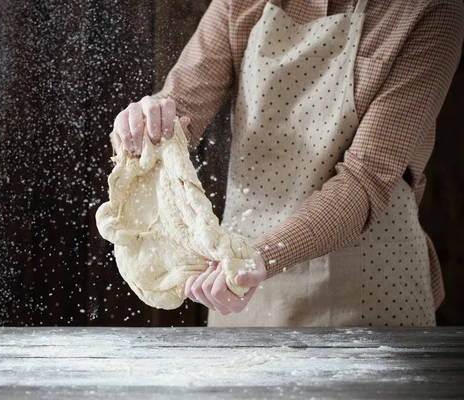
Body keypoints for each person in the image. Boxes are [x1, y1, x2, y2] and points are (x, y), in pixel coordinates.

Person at [110, 0, 464, 327]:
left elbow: (364, 179)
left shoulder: (431, 9)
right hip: (238, 290)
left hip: (367, 297)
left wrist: (260, 258)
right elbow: (181, 107)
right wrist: (149, 122)